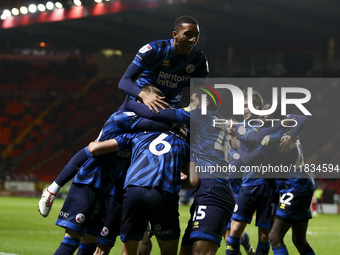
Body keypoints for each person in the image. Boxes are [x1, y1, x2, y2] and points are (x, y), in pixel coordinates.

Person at [87, 127, 190, 255]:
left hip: (132, 192)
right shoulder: (185, 145)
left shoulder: (139, 134)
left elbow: (95, 148)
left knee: (137, 247)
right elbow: (193, 182)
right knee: (167, 250)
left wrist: (93, 143)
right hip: (161, 193)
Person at [118, 15, 209, 111]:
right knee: (114, 124)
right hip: (140, 101)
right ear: (175, 34)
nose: (193, 39)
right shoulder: (155, 50)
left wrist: (194, 108)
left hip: (168, 108)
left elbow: (200, 90)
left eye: (196, 35)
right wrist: (144, 96)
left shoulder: (199, 60)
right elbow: (124, 81)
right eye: (188, 34)